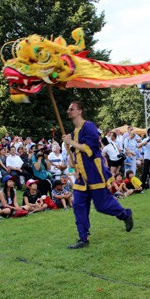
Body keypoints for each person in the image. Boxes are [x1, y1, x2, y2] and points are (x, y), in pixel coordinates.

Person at [62, 101, 133, 249]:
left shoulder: (89, 126)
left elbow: (90, 149)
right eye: (68, 108)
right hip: (81, 176)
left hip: (94, 172)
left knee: (102, 206)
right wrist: (70, 151)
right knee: (78, 205)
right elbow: (76, 154)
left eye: (72, 108)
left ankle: (125, 214)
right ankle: (83, 238)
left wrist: (72, 143)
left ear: (80, 111)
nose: (69, 111)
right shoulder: (75, 131)